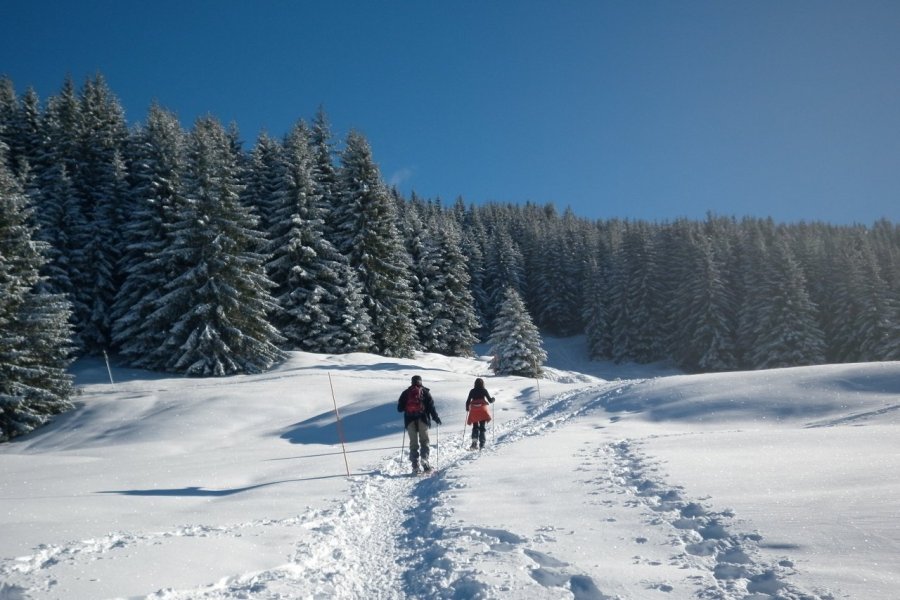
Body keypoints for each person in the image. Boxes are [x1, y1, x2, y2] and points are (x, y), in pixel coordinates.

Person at [398, 375, 442, 474]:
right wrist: (436, 418)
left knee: (413, 443)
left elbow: (399, 409)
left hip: (409, 421)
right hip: (423, 419)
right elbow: (431, 407)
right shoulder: (425, 392)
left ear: (412, 382)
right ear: (421, 381)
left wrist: (406, 406)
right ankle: (424, 461)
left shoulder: (406, 393)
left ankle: (415, 466)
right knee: (424, 441)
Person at [465, 378, 495, 450]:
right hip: (482, 410)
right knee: (482, 427)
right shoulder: (484, 390)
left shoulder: (472, 391)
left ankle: (474, 444)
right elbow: (490, 400)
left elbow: (468, 401)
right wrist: (493, 399)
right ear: (482, 384)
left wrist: (467, 408)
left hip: (474, 410)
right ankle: (482, 444)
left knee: (475, 427)